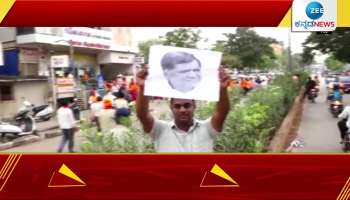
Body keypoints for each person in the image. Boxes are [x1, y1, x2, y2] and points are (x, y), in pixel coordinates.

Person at [136, 65, 230, 152]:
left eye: (187, 105)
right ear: (171, 107)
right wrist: (142, 87)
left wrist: (223, 89)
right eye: (177, 106)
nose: (182, 110)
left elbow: (222, 112)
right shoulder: (160, 130)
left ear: (194, 106)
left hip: (204, 171)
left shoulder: (207, 128)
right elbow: (142, 115)